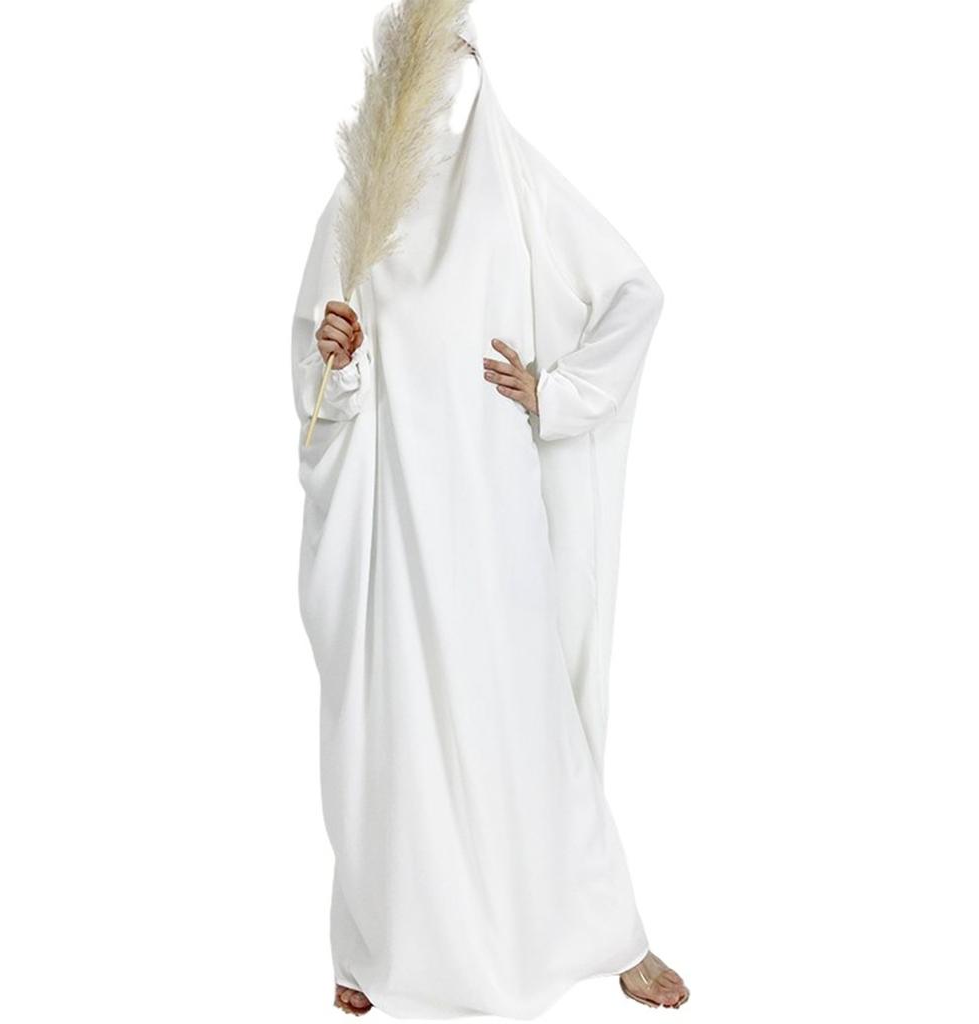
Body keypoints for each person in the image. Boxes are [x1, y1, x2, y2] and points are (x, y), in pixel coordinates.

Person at [292, 10, 688, 1018]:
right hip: (392, 520)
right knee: (390, 722)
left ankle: (603, 931)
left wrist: (555, 393)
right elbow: (320, 386)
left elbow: (634, 294)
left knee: (521, 718)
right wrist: (338, 361)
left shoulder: (516, 187)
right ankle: (377, 944)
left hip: (490, 510)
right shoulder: (357, 211)